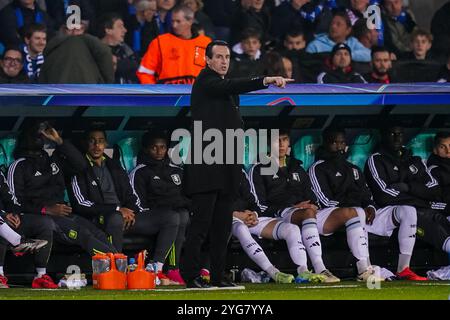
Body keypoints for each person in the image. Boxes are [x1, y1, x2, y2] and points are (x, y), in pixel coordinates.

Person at [181, 39, 293, 289]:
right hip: (206, 163)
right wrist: (265, 80)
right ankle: (190, 275)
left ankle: (219, 276)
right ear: (208, 60)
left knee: (223, 225)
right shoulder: (205, 81)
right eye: (218, 57)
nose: (223, 61)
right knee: (201, 224)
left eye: (227, 57)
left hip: (228, 162)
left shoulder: (225, 87)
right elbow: (234, 84)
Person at [311, 127, 425, 280]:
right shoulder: (317, 168)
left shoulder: (353, 169)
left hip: (364, 214)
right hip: (336, 217)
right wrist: (356, 207)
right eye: (334, 143)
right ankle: (365, 269)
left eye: (342, 142)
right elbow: (324, 201)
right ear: (325, 144)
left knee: (408, 210)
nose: (339, 147)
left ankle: (403, 268)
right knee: (356, 212)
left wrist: (370, 207)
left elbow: (367, 194)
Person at [70, 128, 180, 284]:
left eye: (100, 141)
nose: (96, 145)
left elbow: (131, 195)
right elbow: (80, 204)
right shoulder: (80, 168)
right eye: (92, 141)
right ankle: (117, 271)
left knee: (171, 217)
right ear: (86, 143)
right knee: (115, 218)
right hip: (99, 218)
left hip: (124, 217)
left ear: (105, 143)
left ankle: (155, 268)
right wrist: (116, 210)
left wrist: (131, 212)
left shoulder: (114, 166)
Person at [8, 122, 117, 267]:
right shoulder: (19, 165)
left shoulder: (52, 161)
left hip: (61, 215)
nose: (40, 138)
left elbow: (81, 165)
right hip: (39, 217)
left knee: (96, 232)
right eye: (36, 135)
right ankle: (116, 266)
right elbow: (15, 203)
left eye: (42, 135)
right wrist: (45, 209)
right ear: (26, 138)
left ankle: (119, 263)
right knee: (82, 233)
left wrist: (59, 141)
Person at [248, 129, 339, 283]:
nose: (281, 144)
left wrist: (314, 204)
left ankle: (304, 271)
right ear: (269, 144)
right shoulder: (259, 168)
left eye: (284, 139)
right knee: (308, 214)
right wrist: (291, 206)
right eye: (277, 140)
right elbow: (259, 205)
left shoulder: (297, 167)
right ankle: (321, 268)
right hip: (278, 213)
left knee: (349, 213)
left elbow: (311, 195)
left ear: (289, 142)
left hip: (303, 212)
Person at [364, 124, 450, 256]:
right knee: (415, 214)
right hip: (391, 212)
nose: (397, 138)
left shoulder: (414, 160)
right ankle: (404, 269)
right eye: (392, 134)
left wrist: (408, 187)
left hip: (422, 207)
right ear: (383, 136)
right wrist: (420, 198)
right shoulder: (376, 160)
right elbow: (384, 195)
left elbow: (434, 190)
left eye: (400, 134)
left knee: (441, 217)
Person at [129, 130, 190, 285]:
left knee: (181, 215)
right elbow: (137, 203)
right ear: (146, 149)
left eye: (162, 147)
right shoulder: (140, 172)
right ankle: (155, 267)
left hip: (172, 217)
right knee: (172, 216)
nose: (158, 151)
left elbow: (187, 198)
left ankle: (172, 269)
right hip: (147, 217)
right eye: (154, 147)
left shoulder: (177, 171)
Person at [0, 168, 55, 288]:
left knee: (44, 223)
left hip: (6, 218)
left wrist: (14, 213)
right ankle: (17, 242)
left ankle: (41, 276)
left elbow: (9, 197)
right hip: (2, 219)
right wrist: (4, 215)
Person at [137, 5, 211, 84]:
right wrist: (155, 93)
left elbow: (214, 73)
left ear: (190, 21)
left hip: (197, 94)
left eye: (178, 21)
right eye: (172, 21)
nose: (174, 25)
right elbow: (144, 72)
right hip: (166, 94)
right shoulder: (160, 42)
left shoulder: (205, 43)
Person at [306, 10, 371, 63]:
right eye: (332, 23)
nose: (333, 27)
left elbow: (368, 54)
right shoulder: (315, 45)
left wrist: (347, 55)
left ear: (348, 30)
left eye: (338, 24)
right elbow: (307, 63)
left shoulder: (352, 42)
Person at [100, 13, 140, 84]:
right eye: (120, 27)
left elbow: (137, 68)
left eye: (123, 27)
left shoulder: (127, 50)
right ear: (108, 30)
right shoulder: (98, 50)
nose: (125, 30)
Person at [427, 131, 450, 216]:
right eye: (442, 147)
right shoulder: (433, 171)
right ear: (435, 150)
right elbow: (431, 202)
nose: (448, 151)